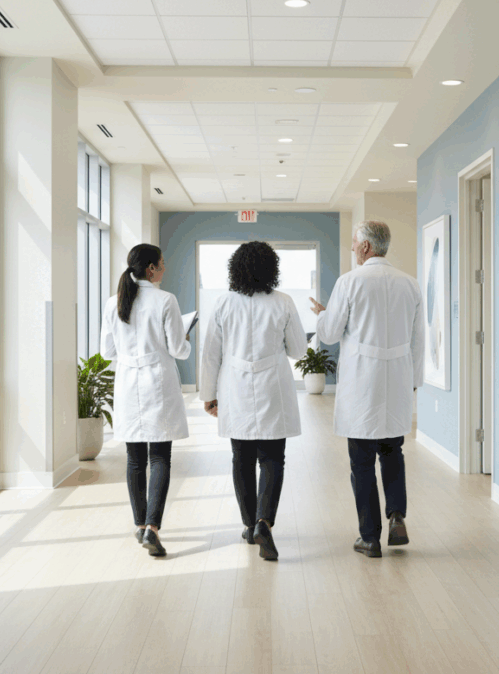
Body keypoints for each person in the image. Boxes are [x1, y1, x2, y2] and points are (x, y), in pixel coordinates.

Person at [309, 221, 423, 558]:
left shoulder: (350, 282)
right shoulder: (410, 284)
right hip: (397, 379)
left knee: (361, 461)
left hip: (363, 382)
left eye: (354, 243)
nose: (352, 248)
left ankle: (370, 537)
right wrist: (413, 382)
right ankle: (397, 515)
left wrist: (323, 315)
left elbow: (330, 333)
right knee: (392, 451)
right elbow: (418, 339)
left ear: (365, 247)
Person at [200, 241, 307, 560]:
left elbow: (210, 354)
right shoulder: (283, 302)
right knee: (273, 458)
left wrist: (208, 395)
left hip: (235, 387)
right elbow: (298, 350)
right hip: (273, 386)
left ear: (235, 268)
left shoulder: (223, 303)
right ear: (271, 268)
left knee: (241, 458)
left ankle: (249, 525)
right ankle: (264, 522)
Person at [101, 244, 191, 557]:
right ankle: (153, 527)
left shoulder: (113, 302)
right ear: (151, 268)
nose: (164, 268)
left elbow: (106, 352)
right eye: (162, 263)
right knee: (160, 456)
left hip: (128, 383)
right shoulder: (166, 300)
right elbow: (178, 350)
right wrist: (186, 340)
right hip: (158, 382)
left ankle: (140, 525)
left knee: (135, 459)